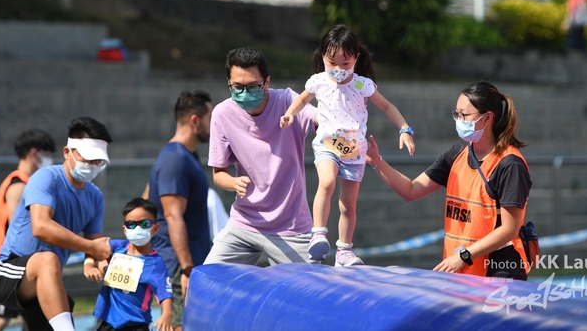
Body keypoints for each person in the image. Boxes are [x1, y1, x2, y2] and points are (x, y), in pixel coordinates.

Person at [366, 81, 532, 280]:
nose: (459, 120)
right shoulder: (456, 154)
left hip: (499, 268)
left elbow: (509, 229)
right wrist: (376, 162)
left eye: (464, 115)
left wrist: (464, 255)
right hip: (462, 266)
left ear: (487, 118)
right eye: (457, 114)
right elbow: (410, 190)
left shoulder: (510, 164)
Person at [280, 24, 415, 267]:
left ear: (356, 58)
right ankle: (318, 234)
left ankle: (344, 250)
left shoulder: (362, 85)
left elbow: (387, 106)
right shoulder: (319, 81)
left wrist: (404, 129)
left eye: (346, 63)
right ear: (323, 56)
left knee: (348, 206)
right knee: (326, 181)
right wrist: (290, 113)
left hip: (354, 149)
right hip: (327, 142)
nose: (339, 69)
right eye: (332, 62)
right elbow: (301, 99)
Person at [0, 117, 114, 331]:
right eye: (88, 158)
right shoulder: (45, 178)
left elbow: (95, 246)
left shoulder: (96, 197)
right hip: (9, 271)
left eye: (99, 161)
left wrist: (105, 264)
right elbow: (41, 227)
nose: (93, 165)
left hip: (48, 280)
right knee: (47, 260)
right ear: (67, 152)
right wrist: (92, 247)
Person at [204, 46, 318, 266]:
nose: (245, 93)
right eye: (237, 87)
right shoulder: (222, 114)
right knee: (209, 277)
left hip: (291, 228)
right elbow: (218, 174)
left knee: (307, 287)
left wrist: (339, 125)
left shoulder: (288, 101)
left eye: (253, 86)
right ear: (228, 83)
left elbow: (317, 118)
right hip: (244, 224)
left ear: (266, 82)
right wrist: (233, 183)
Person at [0, 129, 56, 331]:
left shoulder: (24, 182)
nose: (49, 159)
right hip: (5, 260)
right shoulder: (19, 185)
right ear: (34, 153)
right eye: (46, 154)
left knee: (32, 316)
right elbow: (18, 230)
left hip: (11, 258)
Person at [147, 91, 213, 331]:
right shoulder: (175, 159)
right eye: (210, 118)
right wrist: (186, 269)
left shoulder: (186, 156)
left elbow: (146, 199)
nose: (214, 124)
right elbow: (172, 215)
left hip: (188, 264)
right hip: (178, 267)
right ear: (195, 120)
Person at [86, 198, 173, 331]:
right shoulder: (117, 247)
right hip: (109, 321)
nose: (138, 228)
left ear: (155, 228)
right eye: (131, 224)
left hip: (136, 324)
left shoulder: (155, 263)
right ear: (125, 229)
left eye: (144, 223)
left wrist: (167, 314)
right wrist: (89, 265)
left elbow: (164, 291)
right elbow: (93, 248)